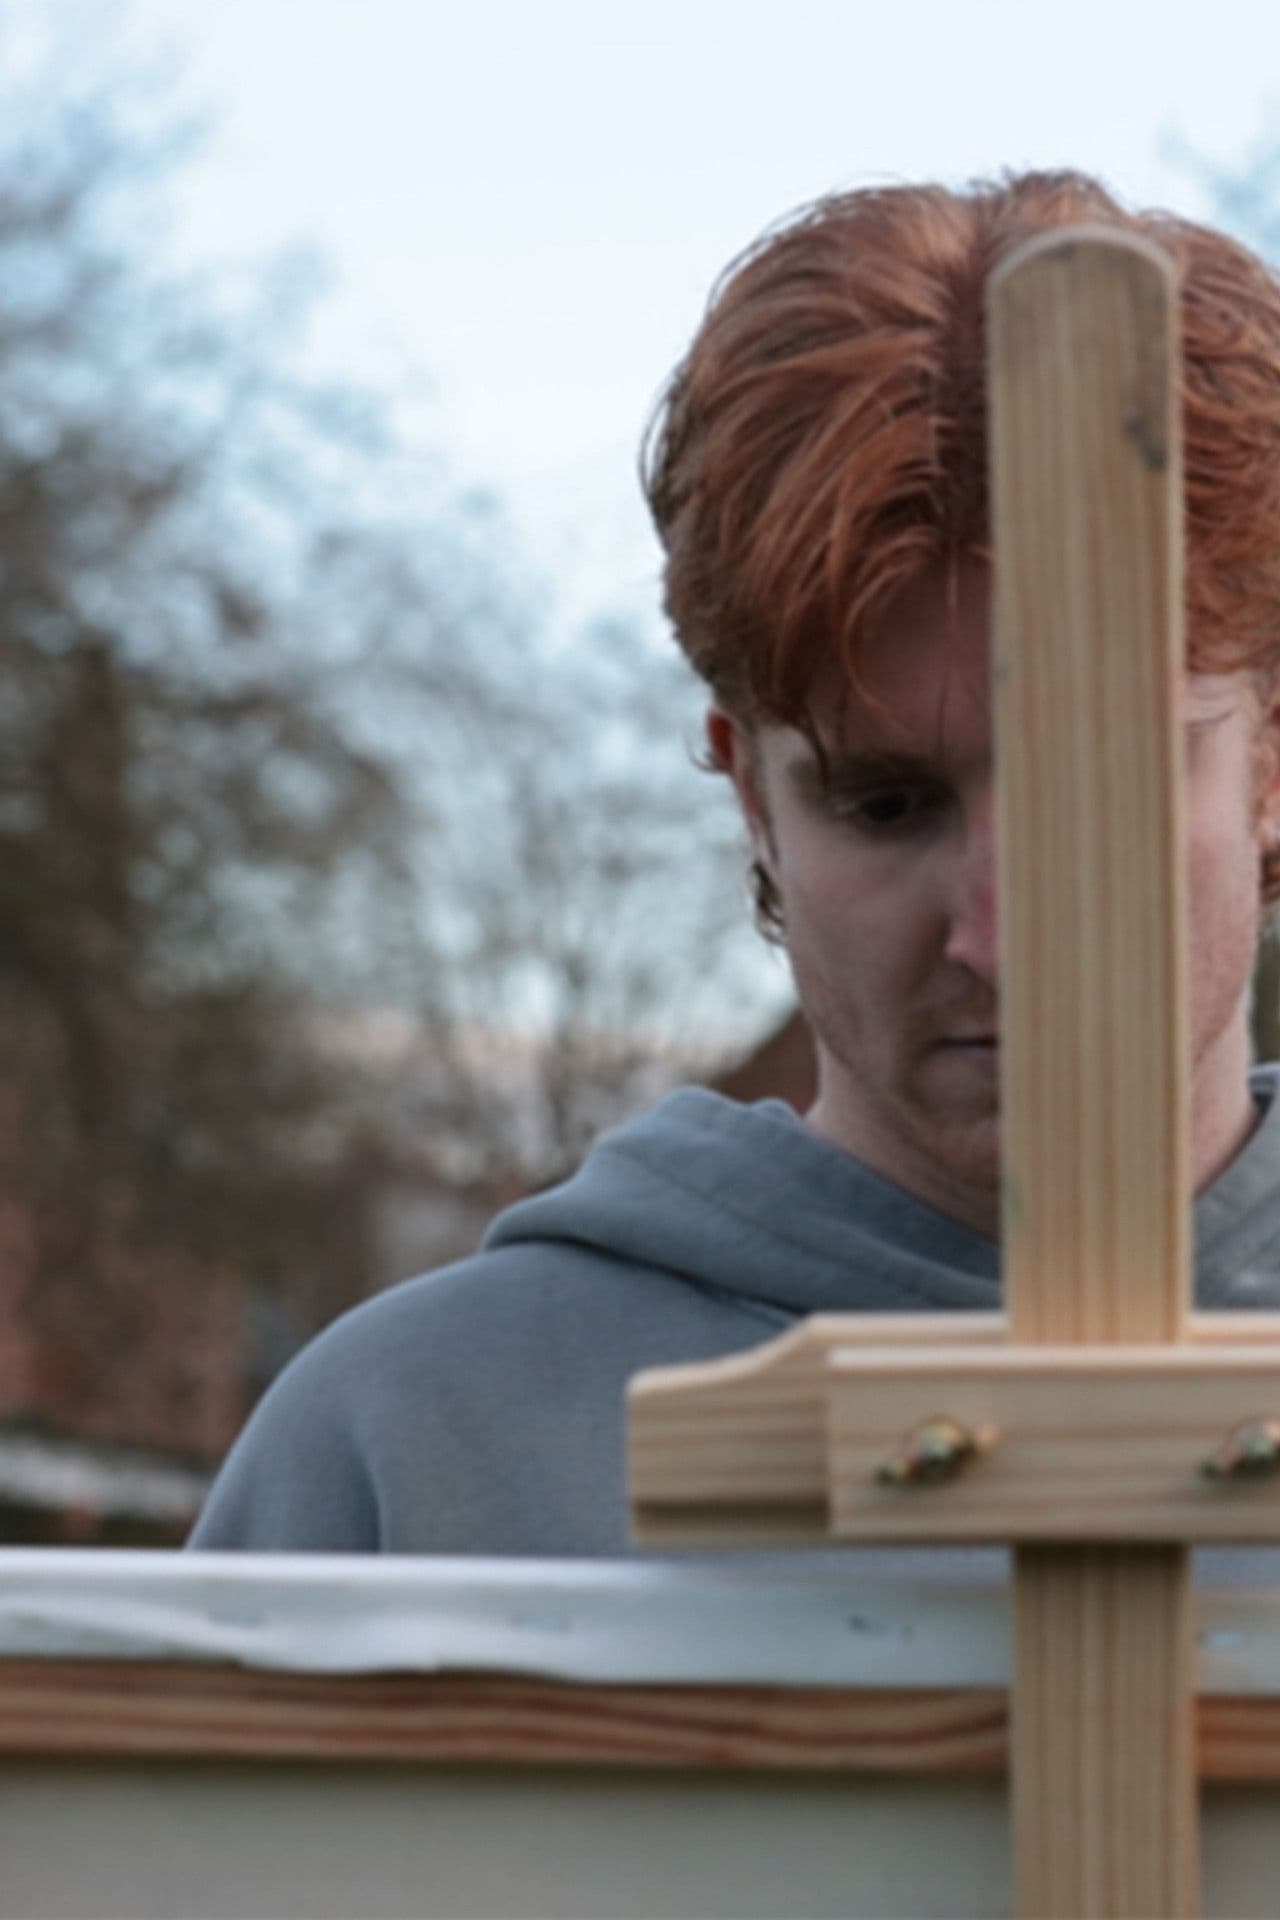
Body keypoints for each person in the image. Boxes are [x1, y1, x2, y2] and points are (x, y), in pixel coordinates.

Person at [190, 169, 1280, 1555]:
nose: (1002, 941)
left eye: (1105, 786)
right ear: (752, 797)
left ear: (1272, 759)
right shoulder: (410, 1450)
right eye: (887, 805)